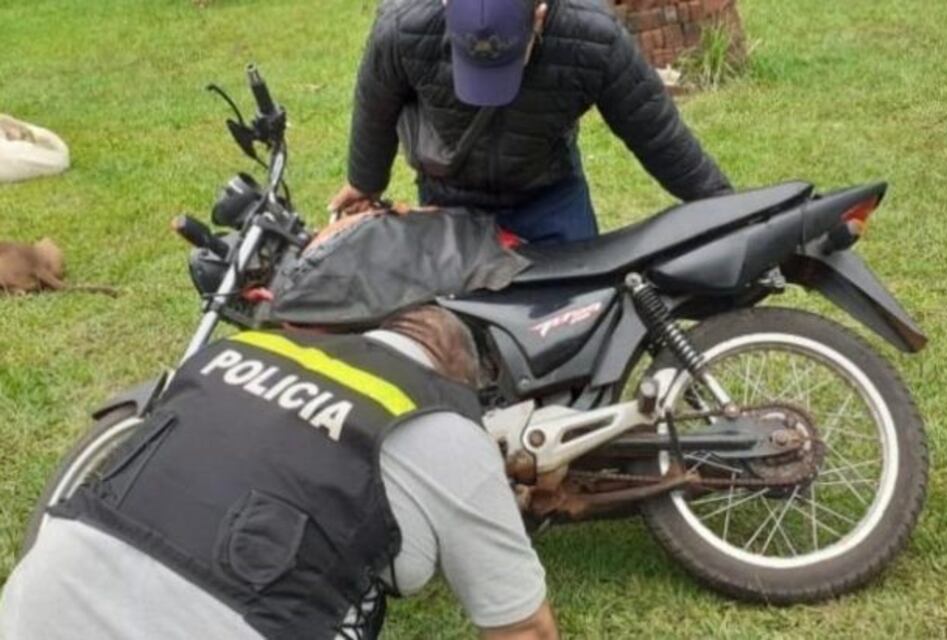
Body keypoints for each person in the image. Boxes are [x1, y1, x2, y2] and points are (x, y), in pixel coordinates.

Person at [0, 306, 558, 640]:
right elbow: (525, 629)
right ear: (459, 382)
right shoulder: (444, 428)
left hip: (35, 606)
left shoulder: (235, 350)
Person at [329, 0, 732, 245]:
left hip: (549, 195)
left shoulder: (591, 37)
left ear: (538, 16)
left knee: (579, 327)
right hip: (449, 197)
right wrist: (365, 181)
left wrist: (724, 208)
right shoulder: (403, 27)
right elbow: (376, 103)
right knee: (466, 340)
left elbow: (657, 134)